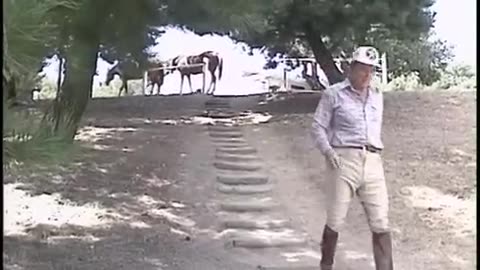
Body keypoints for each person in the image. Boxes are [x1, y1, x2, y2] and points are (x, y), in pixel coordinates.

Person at [311, 46, 393, 270]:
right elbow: (318, 127)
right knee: (336, 219)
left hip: (373, 160)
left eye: (371, 71)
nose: (367, 75)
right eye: (363, 69)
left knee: (381, 221)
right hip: (344, 159)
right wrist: (328, 152)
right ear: (351, 68)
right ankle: (326, 265)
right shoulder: (334, 94)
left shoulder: (377, 95)